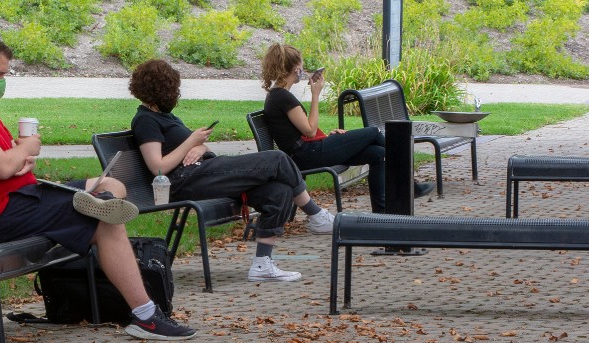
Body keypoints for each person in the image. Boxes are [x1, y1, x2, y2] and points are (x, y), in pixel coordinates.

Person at [0, 34, 195, 341]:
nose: (2, 82)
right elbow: (2, 166)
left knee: (109, 182)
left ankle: (102, 200)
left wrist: (21, 157)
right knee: (105, 223)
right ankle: (146, 317)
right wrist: (26, 148)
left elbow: (11, 160)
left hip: (21, 195)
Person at [129, 59, 330, 282]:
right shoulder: (145, 120)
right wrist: (192, 141)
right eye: (171, 88)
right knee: (277, 159)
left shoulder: (164, 117)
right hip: (185, 181)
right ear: (159, 89)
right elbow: (158, 167)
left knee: (278, 191)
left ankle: (262, 265)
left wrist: (198, 145)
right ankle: (316, 214)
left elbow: (192, 145)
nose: (174, 94)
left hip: (203, 172)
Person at [259, 43, 432, 212]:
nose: (303, 72)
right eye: (301, 67)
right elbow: (309, 130)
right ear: (296, 69)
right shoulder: (282, 97)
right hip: (306, 155)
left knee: (377, 154)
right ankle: (410, 185)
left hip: (306, 152)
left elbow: (299, 133)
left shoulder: (278, 96)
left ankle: (381, 210)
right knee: (373, 132)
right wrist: (316, 94)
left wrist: (329, 136)